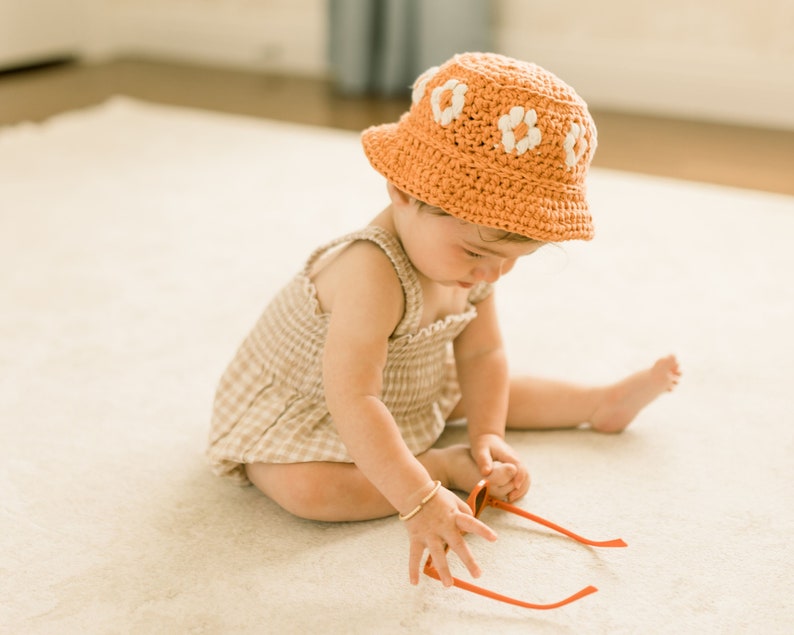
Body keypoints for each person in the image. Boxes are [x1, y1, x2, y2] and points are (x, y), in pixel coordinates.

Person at [207, 52, 681, 588]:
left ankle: (596, 402)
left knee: (483, 387)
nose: (493, 274)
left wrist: (489, 434)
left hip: (408, 382)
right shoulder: (371, 270)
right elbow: (354, 398)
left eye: (513, 260)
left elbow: (482, 354)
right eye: (477, 254)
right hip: (315, 403)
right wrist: (416, 495)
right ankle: (440, 465)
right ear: (404, 192)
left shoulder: (473, 268)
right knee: (311, 493)